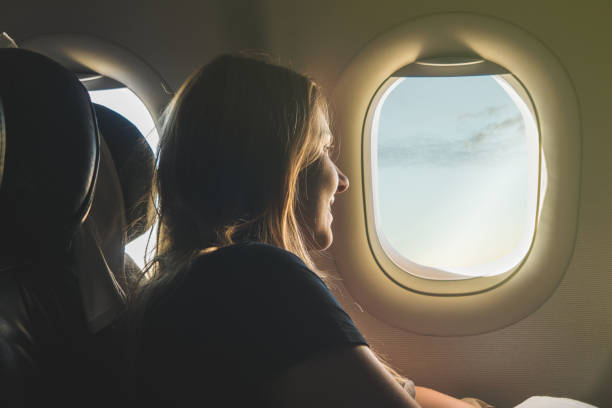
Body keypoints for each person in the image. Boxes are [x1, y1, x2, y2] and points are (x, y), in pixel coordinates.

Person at [128, 53, 488, 408]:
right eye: (324, 149)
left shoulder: (202, 282)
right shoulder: (259, 277)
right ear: (276, 169)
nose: (343, 180)